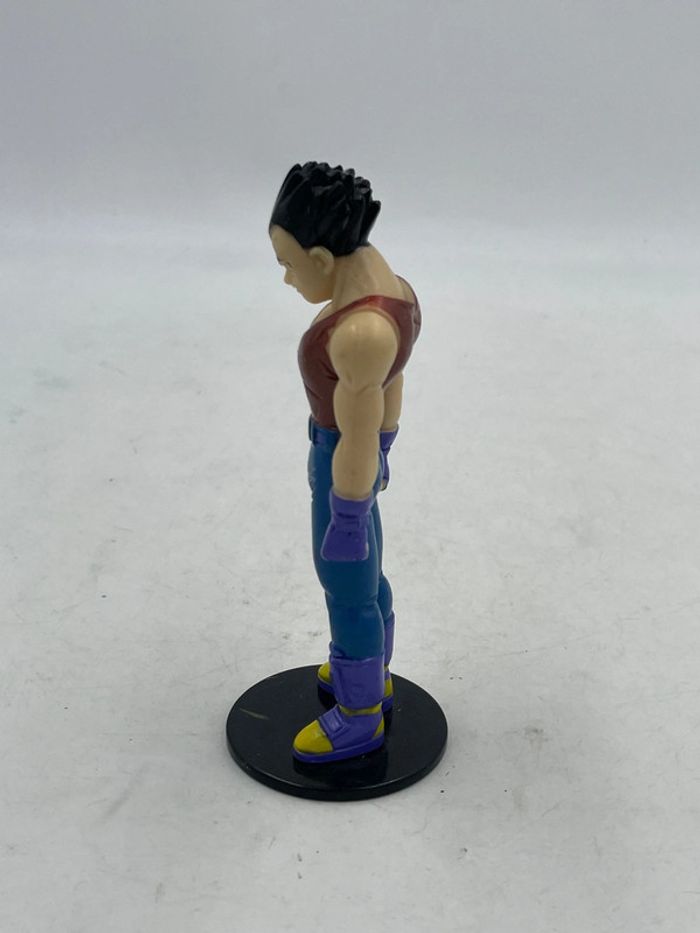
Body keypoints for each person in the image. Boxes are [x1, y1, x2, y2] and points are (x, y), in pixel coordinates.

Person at [269, 162, 421, 763]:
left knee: (347, 585)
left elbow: (357, 425)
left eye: (289, 264)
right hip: (359, 458)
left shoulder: (359, 332)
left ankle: (360, 716)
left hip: (342, 463)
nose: (287, 278)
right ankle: (371, 672)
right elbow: (393, 383)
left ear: (321, 257)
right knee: (367, 577)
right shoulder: (398, 291)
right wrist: (385, 447)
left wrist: (349, 515)